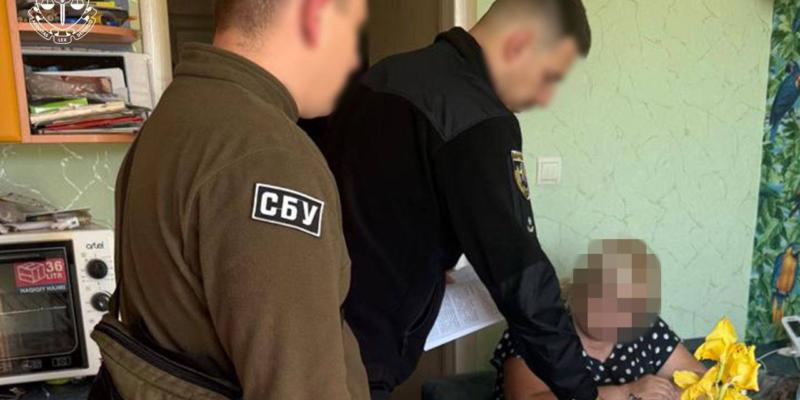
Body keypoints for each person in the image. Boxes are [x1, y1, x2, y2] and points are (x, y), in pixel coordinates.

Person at [321, 0, 597, 398]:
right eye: (548, 76)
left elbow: (376, 206)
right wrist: (582, 391)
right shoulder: (480, 119)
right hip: (362, 357)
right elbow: (522, 277)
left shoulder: (381, 76)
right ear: (520, 44)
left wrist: (428, 258)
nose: (544, 97)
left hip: (310, 323)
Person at [96, 0, 369, 398]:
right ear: (314, 15)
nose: (353, 61)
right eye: (353, 30)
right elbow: (298, 389)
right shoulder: (268, 156)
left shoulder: (177, 114)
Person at [492, 240, 706, 400]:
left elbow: (702, 379)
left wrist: (670, 393)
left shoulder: (647, 328)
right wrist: (625, 392)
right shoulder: (539, 330)